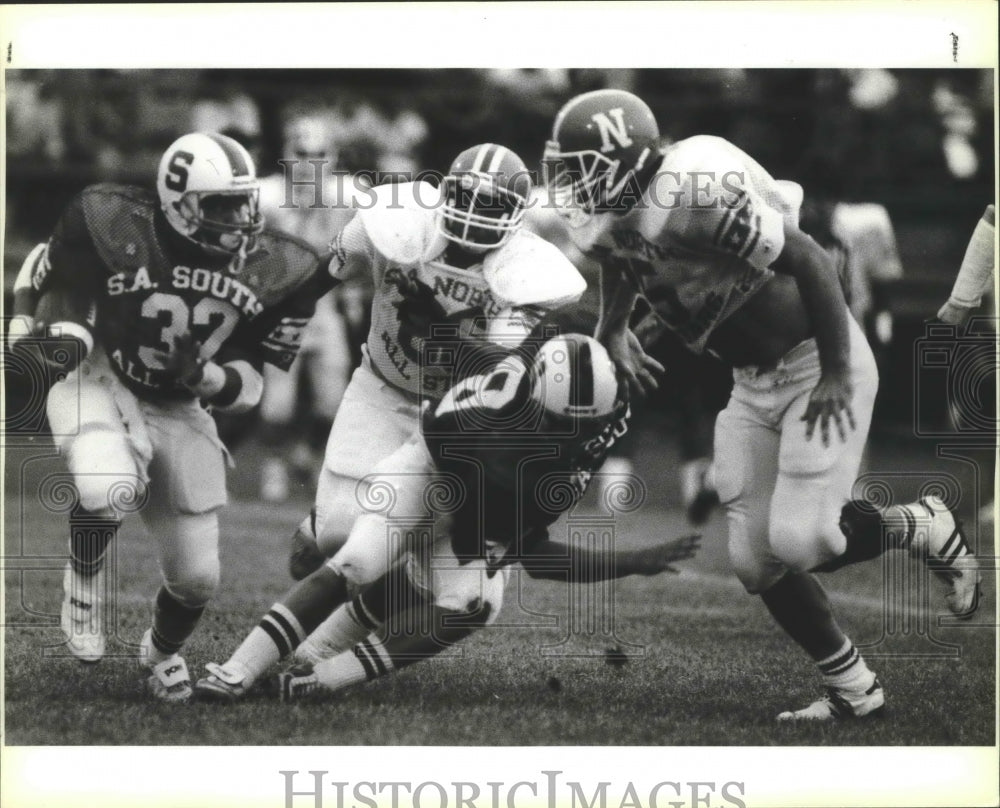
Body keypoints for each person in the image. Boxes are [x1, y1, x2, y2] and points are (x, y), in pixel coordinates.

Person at [540, 89, 982, 721]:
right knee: (754, 562)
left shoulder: (689, 192)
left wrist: (835, 371)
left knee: (803, 541)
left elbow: (811, 259)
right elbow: (619, 256)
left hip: (813, 363)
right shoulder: (616, 208)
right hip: (750, 380)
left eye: (584, 168)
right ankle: (855, 689)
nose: (574, 185)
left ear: (627, 159)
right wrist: (613, 327)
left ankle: (926, 525)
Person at [194, 331, 699, 701]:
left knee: (472, 602)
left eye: (580, 424)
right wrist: (634, 559)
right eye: (557, 422)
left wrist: (615, 331)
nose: (569, 434)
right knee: (359, 562)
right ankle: (236, 669)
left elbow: (530, 336)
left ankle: (319, 676)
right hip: (430, 467)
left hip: (478, 491)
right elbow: (537, 557)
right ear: (532, 404)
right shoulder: (505, 448)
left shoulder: (586, 404)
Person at [8, 132, 328, 702]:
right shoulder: (114, 222)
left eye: (242, 202)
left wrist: (207, 379)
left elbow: (250, 384)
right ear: (177, 202)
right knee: (108, 485)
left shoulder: (274, 266)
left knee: (197, 579)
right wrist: (28, 324)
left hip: (181, 405)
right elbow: (42, 266)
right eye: (220, 205)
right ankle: (82, 579)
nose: (238, 219)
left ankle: (159, 652)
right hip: (102, 374)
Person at [280, 142, 588, 580]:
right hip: (381, 391)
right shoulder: (396, 222)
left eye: (492, 204)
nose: (476, 212)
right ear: (446, 192)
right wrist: (270, 319)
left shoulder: (526, 270)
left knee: (452, 568)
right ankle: (321, 524)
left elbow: (501, 372)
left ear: (517, 215)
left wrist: (441, 327)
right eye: (467, 198)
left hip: (458, 414)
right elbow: (321, 272)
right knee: (335, 536)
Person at [255, 115, 369, 501]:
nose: (310, 163)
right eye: (302, 154)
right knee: (278, 404)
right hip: (282, 309)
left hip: (325, 307)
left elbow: (366, 250)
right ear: (287, 155)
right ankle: (274, 467)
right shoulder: (266, 197)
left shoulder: (351, 196)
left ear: (333, 157)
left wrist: (353, 292)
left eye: (319, 154)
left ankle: (310, 455)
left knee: (332, 402)